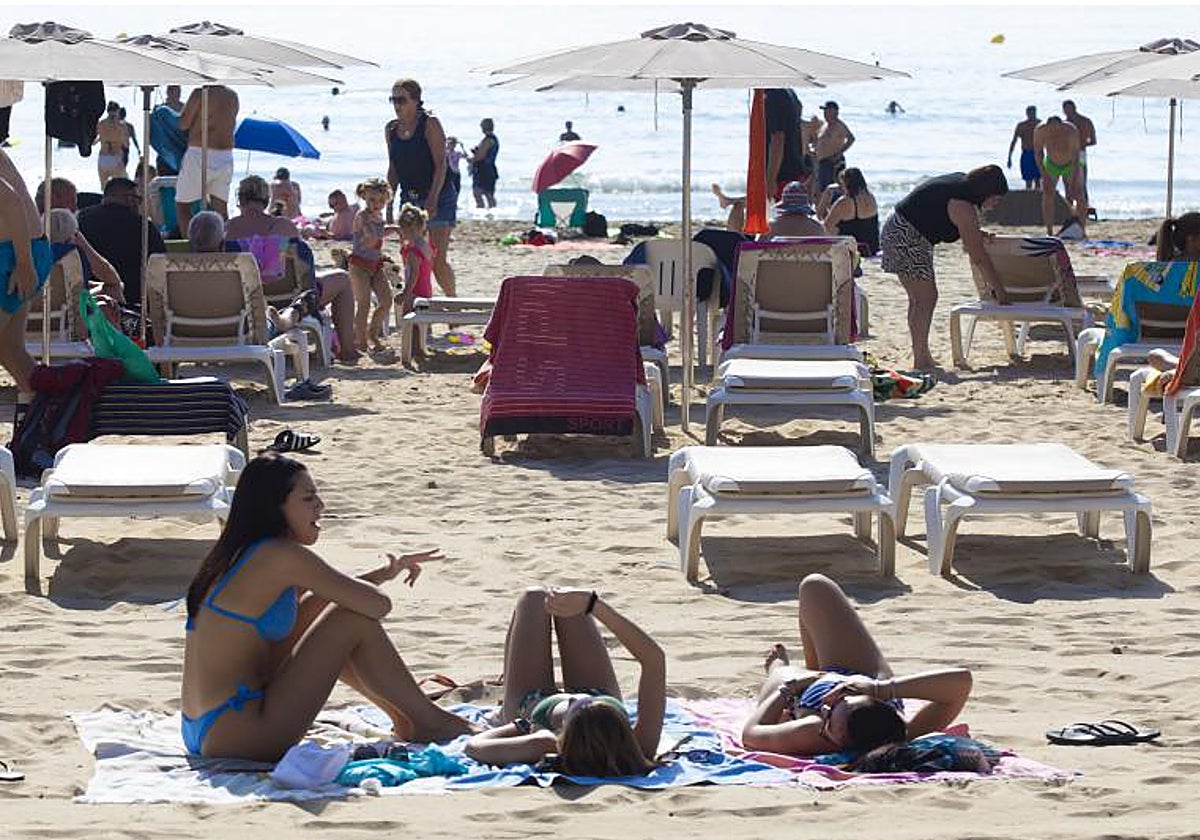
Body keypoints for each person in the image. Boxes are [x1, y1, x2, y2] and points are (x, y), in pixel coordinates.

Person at [181, 454, 474, 760]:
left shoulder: (241, 553)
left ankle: (407, 719)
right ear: (275, 507)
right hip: (244, 733)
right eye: (308, 498)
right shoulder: (281, 555)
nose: (320, 505)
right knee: (350, 620)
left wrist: (382, 574)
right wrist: (374, 587)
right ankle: (428, 720)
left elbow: (321, 596)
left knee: (326, 614)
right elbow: (377, 606)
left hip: (208, 727)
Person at [742, 574, 972, 759]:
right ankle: (815, 671)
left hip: (799, 695)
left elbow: (752, 735)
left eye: (829, 715)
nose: (828, 702)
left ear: (838, 739)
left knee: (780, 674)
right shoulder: (903, 729)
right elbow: (961, 682)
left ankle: (780, 668)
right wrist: (876, 689)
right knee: (815, 586)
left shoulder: (814, 731)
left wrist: (790, 689)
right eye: (842, 698)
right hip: (859, 673)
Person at [464, 586, 665, 777]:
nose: (575, 698)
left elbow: (474, 747)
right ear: (620, 729)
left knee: (534, 598)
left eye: (572, 705)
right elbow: (654, 659)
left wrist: (518, 727)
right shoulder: (640, 746)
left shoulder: (545, 744)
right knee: (568, 605)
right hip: (598, 689)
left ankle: (505, 712)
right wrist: (594, 605)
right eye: (605, 706)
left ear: (564, 736)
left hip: (532, 705)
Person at [880, 165, 1009, 370]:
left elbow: (943, 214)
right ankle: (921, 359)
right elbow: (978, 257)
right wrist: (1001, 292)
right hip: (906, 234)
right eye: (995, 199)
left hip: (896, 226)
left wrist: (977, 231)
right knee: (926, 298)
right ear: (986, 192)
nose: (996, 204)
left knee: (919, 299)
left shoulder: (962, 184)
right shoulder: (964, 204)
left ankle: (922, 355)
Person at [223, 176, 359, 363]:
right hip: (289, 301)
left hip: (244, 304)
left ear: (240, 200)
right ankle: (348, 351)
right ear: (266, 200)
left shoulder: (227, 230)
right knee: (342, 278)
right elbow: (304, 272)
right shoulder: (284, 226)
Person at [385, 78, 457, 296]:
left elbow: (441, 164)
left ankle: (452, 301)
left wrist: (433, 199)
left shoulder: (429, 124)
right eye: (393, 100)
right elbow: (393, 167)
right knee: (411, 255)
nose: (397, 105)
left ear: (416, 100)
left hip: (439, 195)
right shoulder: (391, 129)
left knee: (436, 258)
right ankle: (419, 303)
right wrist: (389, 202)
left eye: (402, 100)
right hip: (409, 197)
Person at [0, 148, 54, 392]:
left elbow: (10, 200)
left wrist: (24, 263)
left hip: (16, 255)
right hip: (24, 250)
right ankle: (46, 416)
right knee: (10, 349)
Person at [76, 177, 166, 312]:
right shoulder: (143, 227)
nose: (139, 204)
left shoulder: (81, 220)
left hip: (93, 303)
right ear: (130, 199)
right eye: (138, 199)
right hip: (138, 305)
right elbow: (159, 264)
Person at [175, 84, 240, 235]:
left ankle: (192, 248)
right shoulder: (232, 95)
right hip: (225, 155)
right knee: (221, 210)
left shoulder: (200, 93)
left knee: (183, 206)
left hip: (200, 152)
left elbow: (183, 124)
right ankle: (221, 248)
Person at [349, 178, 399, 353]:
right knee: (364, 304)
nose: (376, 204)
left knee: (386, 301)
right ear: (364, 197)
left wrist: (395, 228)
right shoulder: (361, 216)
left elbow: (380, 233)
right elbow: (371, 237)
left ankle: (372, 333)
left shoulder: (379, 216)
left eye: (380, 201)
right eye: (372, 200)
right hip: (359, 265)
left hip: (375, 265)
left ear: (386, 200)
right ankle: (360, 340)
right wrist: (388, 231)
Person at [1034, 115, 1086, 237]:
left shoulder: (1070, 130)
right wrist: (1043, 173)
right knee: (1047, 193)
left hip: (1072, 163)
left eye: (1057, 129)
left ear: (1061, 125)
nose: (1054, 132)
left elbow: (1076, 155)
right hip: (1052, 164)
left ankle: (1082, 229)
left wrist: (1073, 179)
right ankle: (1049, 230)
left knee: (1078, 193)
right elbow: (1038, 153)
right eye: (1052, 129)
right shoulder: (1040, 131)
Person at [821, 167, 880, 255]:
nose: (841, 188)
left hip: (851, 250)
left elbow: (826, 226)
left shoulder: (844, 202)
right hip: (872, 248)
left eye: (842, 184)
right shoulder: (871, 197)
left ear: (848, 184)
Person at [764, 88, 808, 201]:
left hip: (782, 174)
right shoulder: (788, 91)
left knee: (782, 215)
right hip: (794, 168)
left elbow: (778, 138)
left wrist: (770, 180)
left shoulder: (773, 95)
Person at [396, 202, 434, 324]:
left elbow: (414, 274)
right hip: (426, 289)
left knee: (408, 322)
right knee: (424, 325)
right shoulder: (426, 246)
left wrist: (405, 293)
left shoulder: (413, 252)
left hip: (414, 291)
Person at [1062, 100, 1096, 212]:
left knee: (1081, 183)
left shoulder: (1085, 121)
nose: (1066, 112)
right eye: (1065, 110)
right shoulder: (1064, 124)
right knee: (1067, 183)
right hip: (1067, 154)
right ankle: (1069, 210)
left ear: (1073, 108)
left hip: (1080, 153)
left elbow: (1093, 140)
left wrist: (1080, 143)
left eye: (1067, 109)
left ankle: (1084, 209)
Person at [815, 101, 855, 191]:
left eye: (827, 110)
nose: (825, 113)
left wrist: (839, 153)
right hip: (822, 161)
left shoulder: (839, 125)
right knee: (822, 188)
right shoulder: (825, 125)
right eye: (824, 111)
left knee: (832, 189)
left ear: (835, 112)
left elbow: (851, 138)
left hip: (833, 162)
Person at [95, 102, 131, 187]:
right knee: (121, 186)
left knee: (104, 188)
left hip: (103, 158)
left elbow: (94, 142)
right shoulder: (121, 126)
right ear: (118, 111)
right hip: (116, 158)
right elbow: (126, 144)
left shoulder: (100, 124)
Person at [1006, 106, 1041, 190]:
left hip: (1038, 153)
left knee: (1038, 180)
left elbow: (1048, 140)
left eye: (1033, 113)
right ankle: (1029, 199)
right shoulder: (1022, 125)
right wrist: (1009, 157)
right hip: (1027, 153)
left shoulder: (1040, 124)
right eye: (1030, 113)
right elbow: (1014, 141)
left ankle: (1038, 200)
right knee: (1028, 180)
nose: (1032, 115)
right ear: (1027, 114)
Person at [469, 118, 500, 210]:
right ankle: (490, 211)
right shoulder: (493, 139)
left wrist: (471, 159)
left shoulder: (488, 140)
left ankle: (482, 210)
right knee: (488, 193)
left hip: (484, 170)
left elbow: (480, 156)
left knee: (478, 192)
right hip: (489, 168)